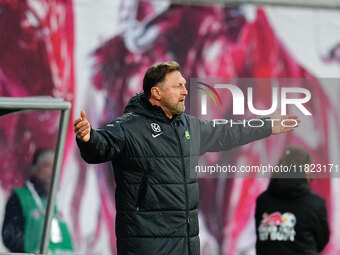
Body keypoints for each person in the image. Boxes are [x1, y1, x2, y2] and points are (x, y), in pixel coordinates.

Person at [74, 61, 299, 255]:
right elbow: (100, 147)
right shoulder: (129, 127)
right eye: (177, 86)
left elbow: (227, 132)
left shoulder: (189, 126)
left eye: (183, 85)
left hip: (185, 245)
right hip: (146, 246)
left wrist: (267, 125)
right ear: (157, 93)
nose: (185, 91)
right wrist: (88, 138)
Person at [255, 146, 330, 255]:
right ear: (305, 168)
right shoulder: (316, 203)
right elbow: (321, 241)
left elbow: (262, 241)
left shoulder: (263, 201)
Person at [2, 148, 73, 254]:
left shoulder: (57, 199)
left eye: (54, 166)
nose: (51, 170)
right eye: (47, 166)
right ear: (36, 168)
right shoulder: (20, 197)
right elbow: (10, 235)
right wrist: (29, 251)